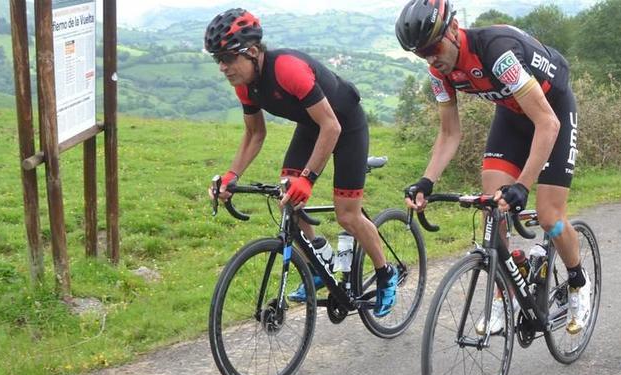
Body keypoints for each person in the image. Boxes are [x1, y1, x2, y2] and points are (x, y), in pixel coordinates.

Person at [395, 0, 591, 333]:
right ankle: (506, 293)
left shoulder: (496, 53)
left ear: (454, 30)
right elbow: (449, 132)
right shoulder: (439, 72)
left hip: (551, 112)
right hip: (513, 116)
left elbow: (547, 123)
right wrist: (427, 180)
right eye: (421, 53)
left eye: (434, 47)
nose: (431, 58)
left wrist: (523, 186)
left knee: (549, 217)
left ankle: (578, 280)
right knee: (491, 207)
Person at [205, 7, 397, 316]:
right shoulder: (244, 84)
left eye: (228, 58)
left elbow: (332, 127)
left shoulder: (287, 69)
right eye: (218, 60)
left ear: (252, 52)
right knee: (287, 196)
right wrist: (231, 175)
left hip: (345, 125)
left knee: (347, 215)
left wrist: (307, 178)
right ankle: (321, 261)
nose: (223, 68)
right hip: (312, 126)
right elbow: (255, 133)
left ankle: (387, 273)